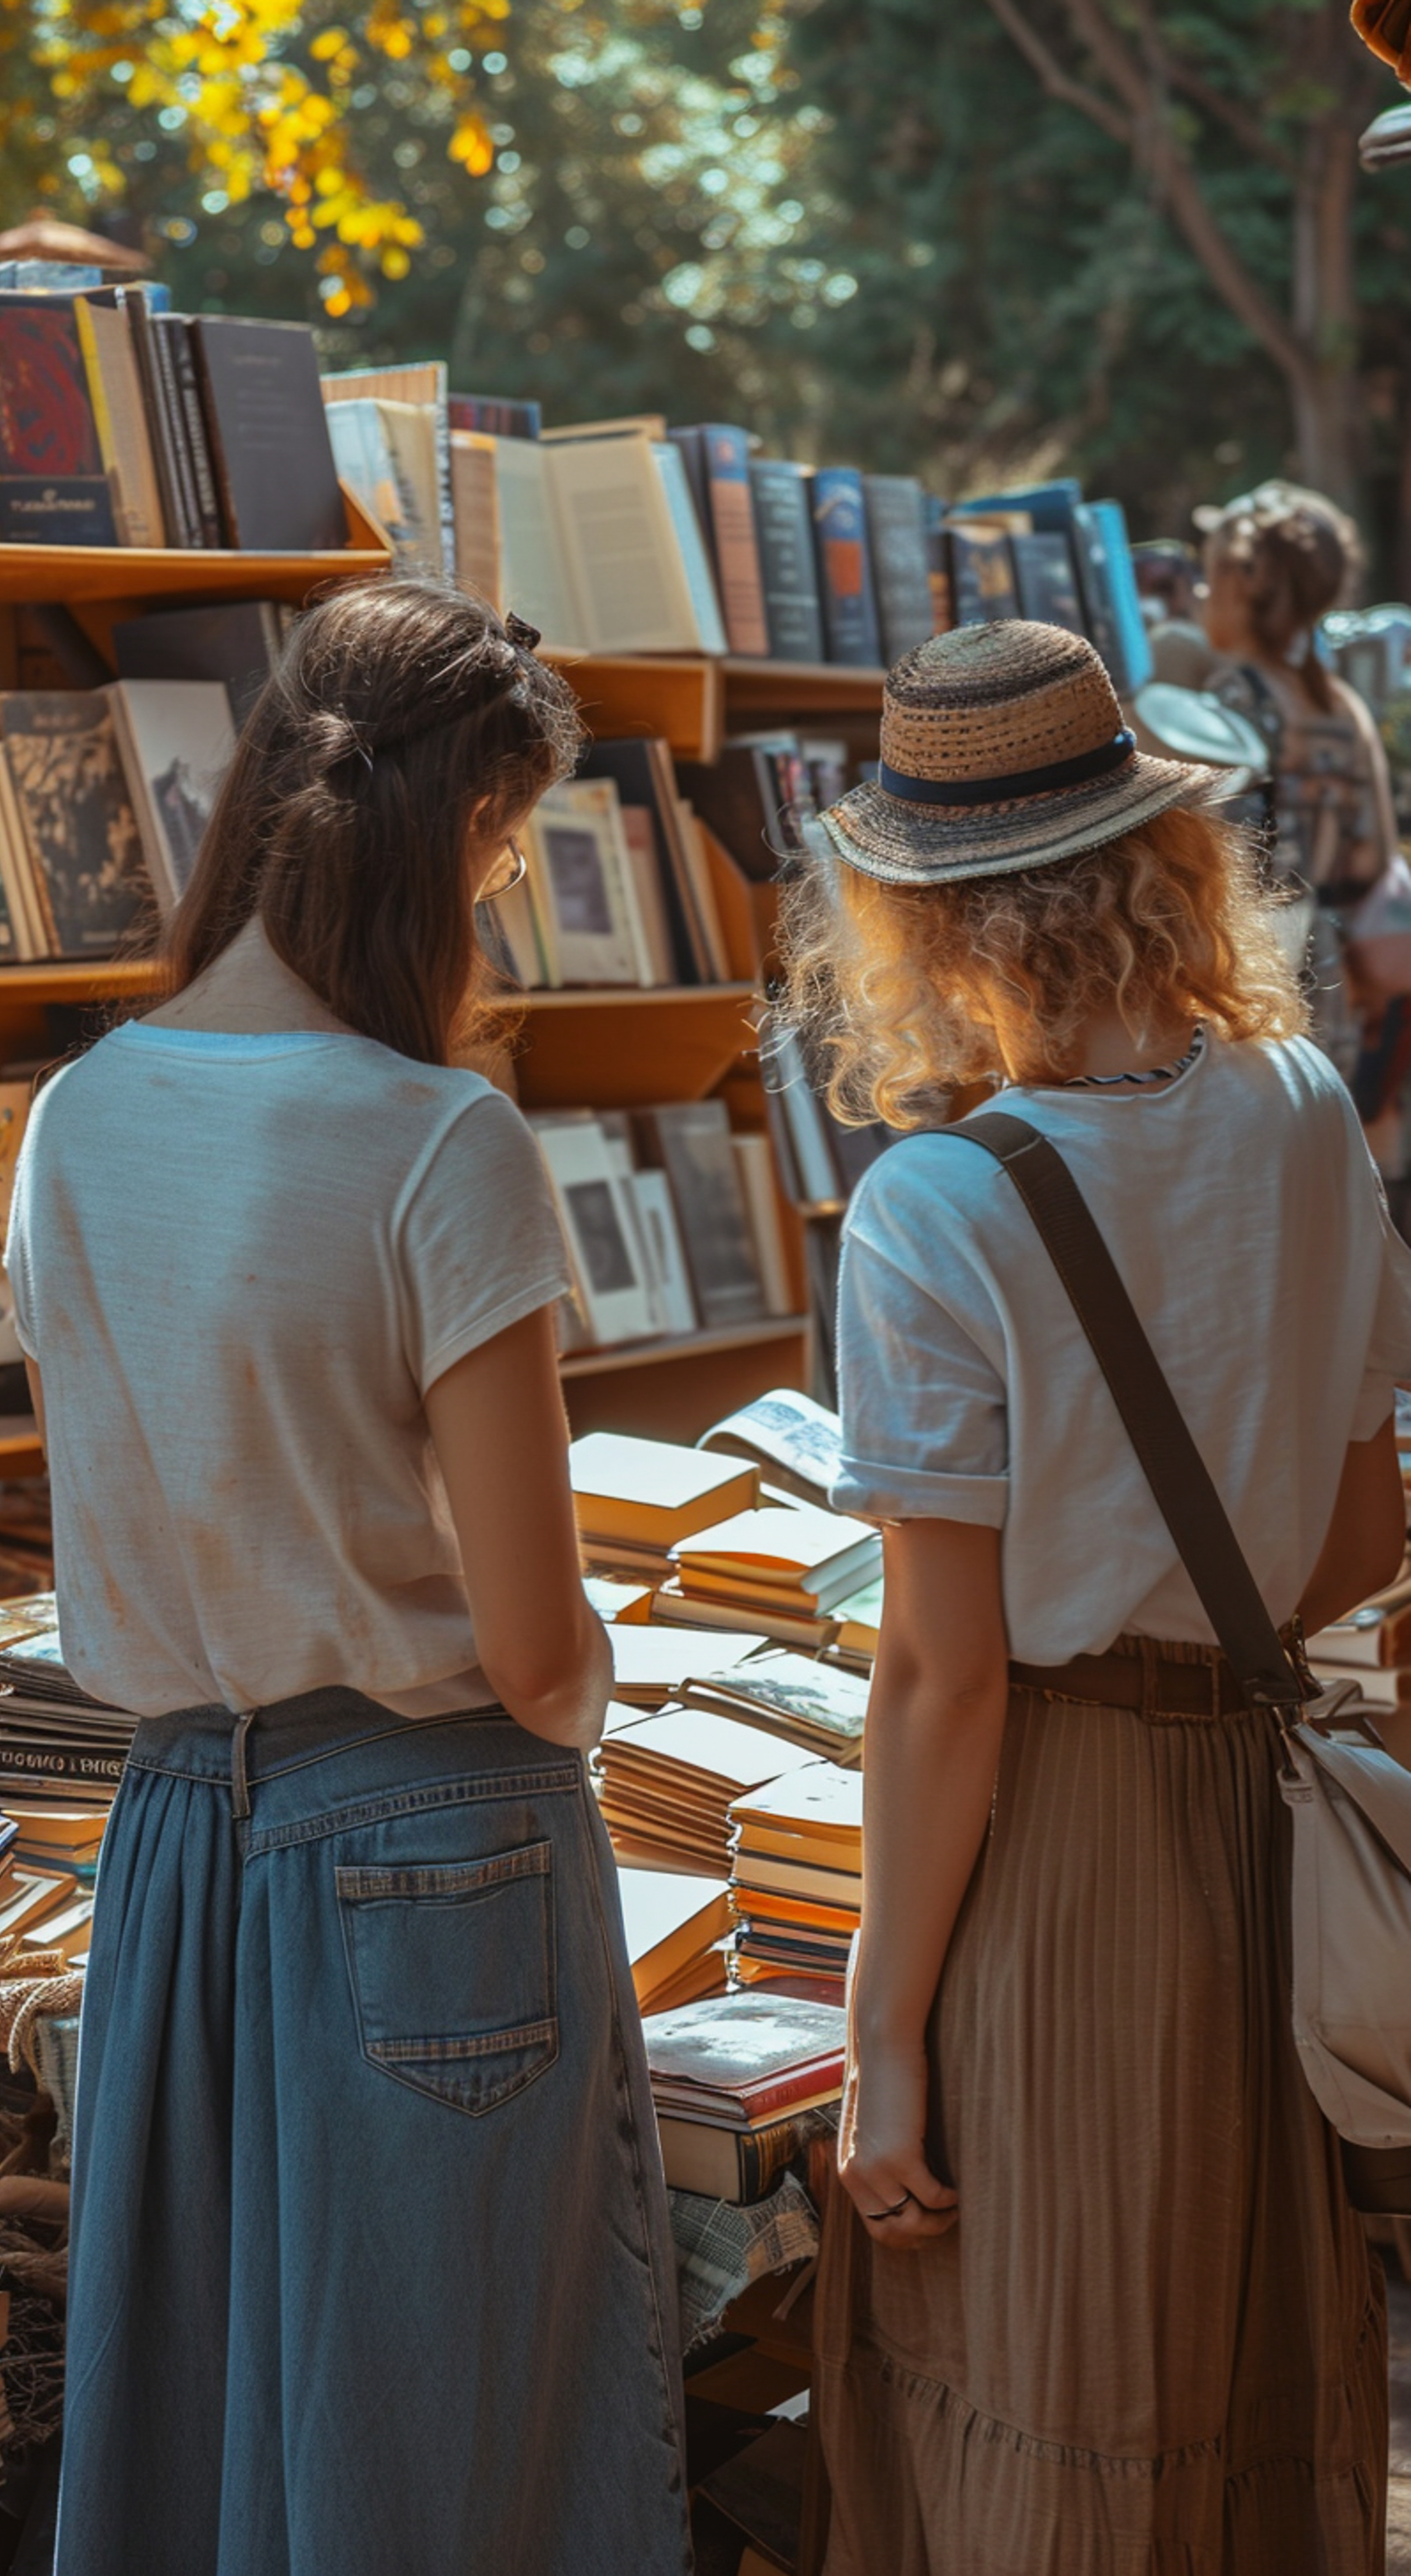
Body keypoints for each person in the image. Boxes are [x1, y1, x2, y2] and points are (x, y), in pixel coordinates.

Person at [6, 581, 694, 2576]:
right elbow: (533, 1641)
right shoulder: (436, 1143)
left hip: (171, 1843)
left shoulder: (73, 1119)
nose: (494, 915)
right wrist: (593, 1667)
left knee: (196, 2440)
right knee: (455, 2463)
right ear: (435, 841)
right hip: (434, 1856)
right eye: (496, 855)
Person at [779, 619, 1411, 2573]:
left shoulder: (936, 1206)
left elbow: (938, 1675)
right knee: (1233, 2388)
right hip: (1261, 1816)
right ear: (1163, 860)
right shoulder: (1307, 1109)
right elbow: (1359, 1531)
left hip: (1053, 1848)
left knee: (1043, 2393)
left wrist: (880, 2037)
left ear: (918, 914)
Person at [1194, 481, 1409, 1131]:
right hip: (1347, 994)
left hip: (1269, 991)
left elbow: (1224, 872)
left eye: (1208, 578)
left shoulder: (1235, 698)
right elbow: (1374, 852)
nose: (1202, 596)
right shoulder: (1341, 702)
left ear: (1239, 582)